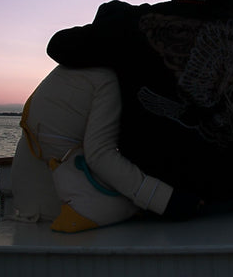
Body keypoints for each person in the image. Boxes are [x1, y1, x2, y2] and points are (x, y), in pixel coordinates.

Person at [46, 0, 233, 211]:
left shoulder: (136, 22)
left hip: (163, 194)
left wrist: (112, 18)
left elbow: (59, 45)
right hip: (232, 189)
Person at [11, 65, 200, 233]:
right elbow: (100, 155)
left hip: (26, 200)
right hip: (59, 207)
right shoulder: (106, 79)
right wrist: (167, 201)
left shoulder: (69, 70)